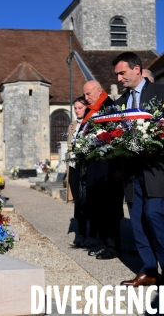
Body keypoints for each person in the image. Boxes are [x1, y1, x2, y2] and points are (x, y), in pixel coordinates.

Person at [112, 52, 164, 287]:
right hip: (132, 172)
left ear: (137, 69)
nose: (119, 78)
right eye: (117, 74)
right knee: (137, 221)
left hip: (157, 168)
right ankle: (148, 270)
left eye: (122, 73)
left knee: (154, 216)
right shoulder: (121, 102)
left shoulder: (161, 92)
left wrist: (154, 145)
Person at [81, 80, 121, 260]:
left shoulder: (109, 107)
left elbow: (115, 135)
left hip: (107, 167)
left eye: (89, 94)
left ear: (99, 91)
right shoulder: (93, 108)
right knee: (98, 207)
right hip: (95, 166)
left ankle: (112, 247)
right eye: (85, 95)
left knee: (109, 209)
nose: (86, 98)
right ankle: (104, 244)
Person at [142, 69, 164, 258]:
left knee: (163, 209)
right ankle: (152, 246)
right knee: (148, 210)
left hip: (161, 163)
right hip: (143, 165)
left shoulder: (162, 94)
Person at [67, 96, 96, 248]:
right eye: (76, 108)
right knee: (78, 202)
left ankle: (92, 235)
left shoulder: (91, 124)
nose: (77, 111)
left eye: (80, 108)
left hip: (85, 166)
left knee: (88, 201)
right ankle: (81, 234)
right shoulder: (72, 126)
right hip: (73, 166)